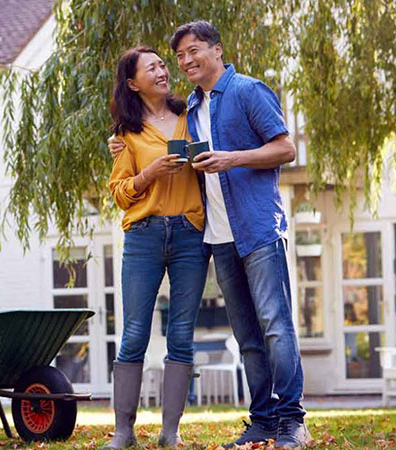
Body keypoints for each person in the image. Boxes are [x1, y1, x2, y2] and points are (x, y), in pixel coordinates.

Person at [109, 21, 310, 449]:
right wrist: (133, 157)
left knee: (274, 325)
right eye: (177, 57)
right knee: (248, 334)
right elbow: (128, 178)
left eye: (191, 51)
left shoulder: (245, 92)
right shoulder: (190, 109)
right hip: (215, 236)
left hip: (252, 228)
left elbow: (286, 149)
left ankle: (292, 421)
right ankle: (261, 420)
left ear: (217, 50)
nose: (182, 63)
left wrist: (233, 159)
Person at [105, 46, 208, 449]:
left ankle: (170, 432)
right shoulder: (126, 134)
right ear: (133, 83)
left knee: (182, 334)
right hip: (144, 234)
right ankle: (123, 431)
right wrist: (149, 172)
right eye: (152, 68)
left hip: (189, 233)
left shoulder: (191, 116)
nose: (163, 71)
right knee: (133, 334)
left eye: (163, 65)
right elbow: (120, 193)